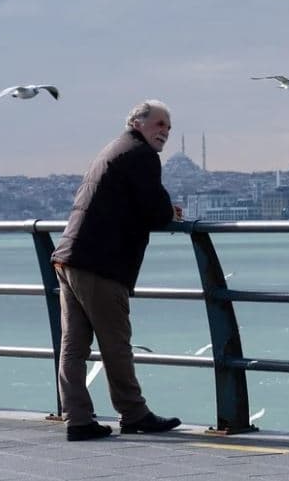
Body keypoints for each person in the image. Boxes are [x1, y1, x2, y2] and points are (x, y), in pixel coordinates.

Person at [51, 99, 183, 441]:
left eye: (168, 126)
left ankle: (78, 419)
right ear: (137, 123)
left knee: (73, 345)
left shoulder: (113, 149)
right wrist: (170, 211)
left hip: (70, 255)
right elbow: (155, 210)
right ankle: (133, 412)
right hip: (99, 261)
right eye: (159, 124)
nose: (165, 132)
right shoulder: (141, 155)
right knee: (116, 342)